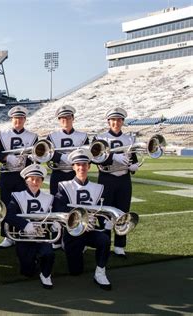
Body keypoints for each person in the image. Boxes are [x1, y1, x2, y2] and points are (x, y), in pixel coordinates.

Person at [53, 148, 113, 290]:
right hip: (73, 232)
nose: (81, 167)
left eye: (85, 164)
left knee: (104, 240)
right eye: (78, 164)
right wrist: (81, 219)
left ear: (89, 166)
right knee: (75, 271)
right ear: (73, 167)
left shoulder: (98, 187)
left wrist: (106, 222)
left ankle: (100, 272)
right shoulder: (64, 186)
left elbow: (101, 210)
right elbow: (59, 208)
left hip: (90, 230)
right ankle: (65, 243)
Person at [0, 106, 38, 249]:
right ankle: (7, 236)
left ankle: (22, 231)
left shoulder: (32, 136)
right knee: (6, 205)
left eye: (21, 118)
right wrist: (6, 157)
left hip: (24, 176)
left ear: (25, 119)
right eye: (16, 118)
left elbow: (37, 156)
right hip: (7, 174)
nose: (18, 120)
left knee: (22, 204)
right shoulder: (2, 134)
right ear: (12, 119)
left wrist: (31, 158)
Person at [94, 107, 138, 258]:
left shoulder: (129, 139)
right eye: (113, 120)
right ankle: (104, 242)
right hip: (107, 178)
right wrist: (112, 157)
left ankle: (120, 245)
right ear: (108, 121)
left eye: (119, 120)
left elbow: (133, 158)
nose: (116, 122)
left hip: (124, 179)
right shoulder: (101, 137)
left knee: (123, 212)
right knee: (105, 212)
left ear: (123, 122)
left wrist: (134, 167)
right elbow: (95, 157)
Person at [4, 164, 55, 289]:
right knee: (27, 272)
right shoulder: (17, 196)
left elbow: (56, 215)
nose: (35, 182)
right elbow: (8, 215)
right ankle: (34, 261)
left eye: (38, 179)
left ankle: (46, 274)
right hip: (24, 237)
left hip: (42, 236)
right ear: (26, 181)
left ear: (42, 181)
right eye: (32, 179)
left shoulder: (49, 198)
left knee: (49, 254)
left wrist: (56, 224)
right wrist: (25, 225)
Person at [47, 105, 89, 250]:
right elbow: (46, 153)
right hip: (58, 174)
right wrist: (62, 157)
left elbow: (87, 155)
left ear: (73, 118)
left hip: (74, 174)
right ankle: (57, 238)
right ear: (59, 120)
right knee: (57, 205)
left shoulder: (82, 137)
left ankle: (75, 238)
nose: (66, 120)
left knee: (76, 205)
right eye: (62, 118)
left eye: (68, 117)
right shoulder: (52, 136)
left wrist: (73, 159)